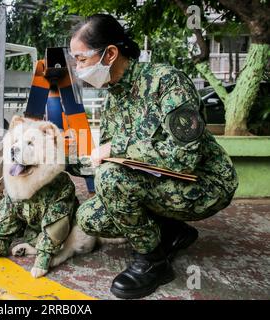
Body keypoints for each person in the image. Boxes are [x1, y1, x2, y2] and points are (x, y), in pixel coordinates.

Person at [69, 14, 238, 299]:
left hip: (205, 183)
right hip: (157, 182)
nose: (77, 68)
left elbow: (184, 157)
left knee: (111, 180)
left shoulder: (167, 82)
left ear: (110, 53)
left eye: (81, 59)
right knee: (89, 218)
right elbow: (118, 161)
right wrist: (72, 163)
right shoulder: (114, 98)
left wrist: (117, 148)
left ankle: (153, 261)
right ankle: (172, 231)